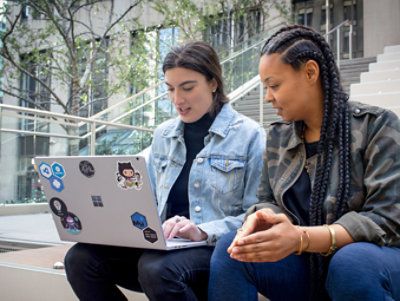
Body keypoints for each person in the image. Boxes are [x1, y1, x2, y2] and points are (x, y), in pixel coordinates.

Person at [208, 25, 400, 301]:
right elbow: (267, 200)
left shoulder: (377, 126)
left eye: (274, 85)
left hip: (373, 262)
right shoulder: (277, 136)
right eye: (265, 87)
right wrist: (263, 219)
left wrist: (301, 238)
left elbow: (386, 221)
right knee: (234, 248)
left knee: (351, 263)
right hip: (307, 265)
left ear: (310, 72)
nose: (267, 97)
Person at [64, 40, 266, 301]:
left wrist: (203, 231)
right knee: (80, 258)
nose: (177, 99)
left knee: (156, 269)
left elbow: (256, 217)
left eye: (187, 87)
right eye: (170, 88)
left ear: (213, 83)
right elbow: (145, 201)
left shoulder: (250, 136)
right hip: (161, 245)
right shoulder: (164, 135)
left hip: (213, 249)